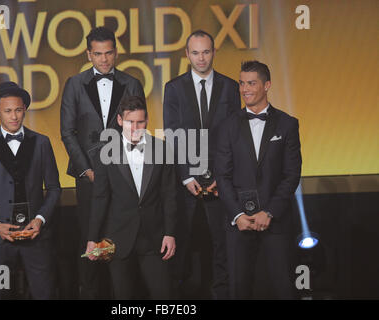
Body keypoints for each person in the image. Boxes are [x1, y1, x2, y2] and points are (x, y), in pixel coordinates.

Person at [60, 26, 145, 299]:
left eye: (109, 53)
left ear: (116, 52)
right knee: (90, 238)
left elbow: (137, 131)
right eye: (98, 54)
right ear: (88, 54)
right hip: (88, 177)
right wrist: (87, 169)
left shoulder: (132, 83)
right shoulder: (74, 84)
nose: (104, 59)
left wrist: (119, 170)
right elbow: (67, 132)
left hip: (123, 175)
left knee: (121, 237)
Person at [0, 82, 61, 299]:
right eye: (8, 111)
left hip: (35, 236)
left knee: (44, 293)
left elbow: (54, 188)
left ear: (24, 109)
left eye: (18, 110)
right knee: (2, 293)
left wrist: (40, 219)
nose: (14, 116)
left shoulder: (42, 143)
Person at [163, 30, 240, 299]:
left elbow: (234, 136)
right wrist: (185, 176)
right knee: (180, 248)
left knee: (221, 247)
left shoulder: (230, 87)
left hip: (221, 182)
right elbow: (172, 135)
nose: (201, 58)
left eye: (206, 51)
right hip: (185, 184)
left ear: (214, 52)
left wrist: (223, 175)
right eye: (195, 52)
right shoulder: (173, 88)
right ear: (187, 54)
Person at [215, 60, 302, 299]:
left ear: (267, 85)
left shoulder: (287, 124)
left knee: (284, 289)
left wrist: (270, 211)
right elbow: (222, 176)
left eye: (252, 83)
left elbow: (291, 174)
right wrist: (237, 215)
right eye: (242, 83)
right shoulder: (226, 126)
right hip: (238, 225)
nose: (245, 89)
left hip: (276, 223)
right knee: (238, 290)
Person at [86, 96, 177, 299]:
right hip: (118, 238)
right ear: (120, 121)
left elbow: (169, 194)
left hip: (154, 237)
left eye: (140, 122)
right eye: (130, 122)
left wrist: (170, 233)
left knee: (165, 295)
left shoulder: (162, 149)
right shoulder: (105, 152)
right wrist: (92, 238)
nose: (135, 127)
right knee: (123, 297)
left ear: (147, 121)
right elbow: (100, 198)